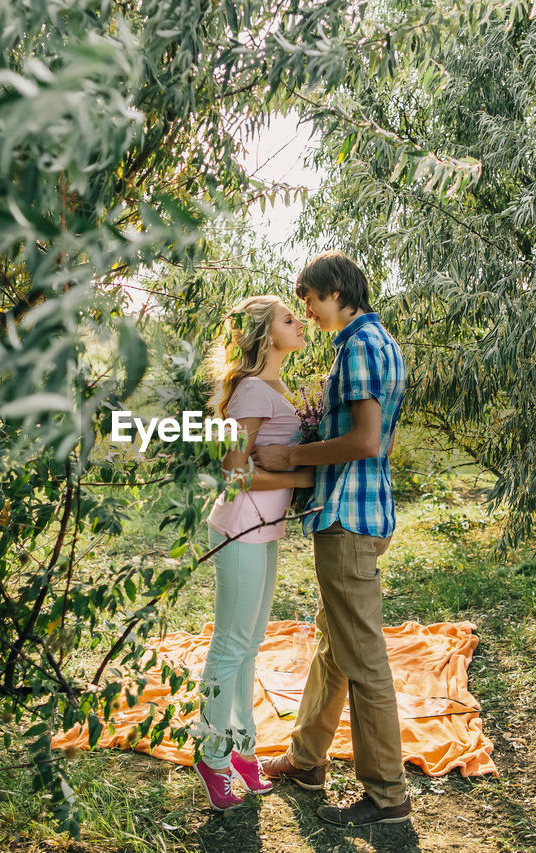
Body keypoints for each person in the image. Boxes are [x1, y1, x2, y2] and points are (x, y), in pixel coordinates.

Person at [252, 251, 410, 826]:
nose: (309, 312)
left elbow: (366, 441)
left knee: (363, 658)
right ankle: (308, 760)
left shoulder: (361, 347)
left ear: (337, 291)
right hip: (361, 511)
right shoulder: (374, 341)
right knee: (333, 643)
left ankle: (387, 794)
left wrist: (292, 452)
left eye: (312, 300)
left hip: (348, 518)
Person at [194, 295, 315, 811]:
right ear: (266, 335)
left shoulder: (278, 387)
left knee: (249, 647)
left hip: (265, 532)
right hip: (240, 530)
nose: (301, 322)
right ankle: (211, 755)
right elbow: (233, 472)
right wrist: (309, 475)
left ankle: (242, 747)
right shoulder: (249, 391)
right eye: (290, 318)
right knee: (230, 646)